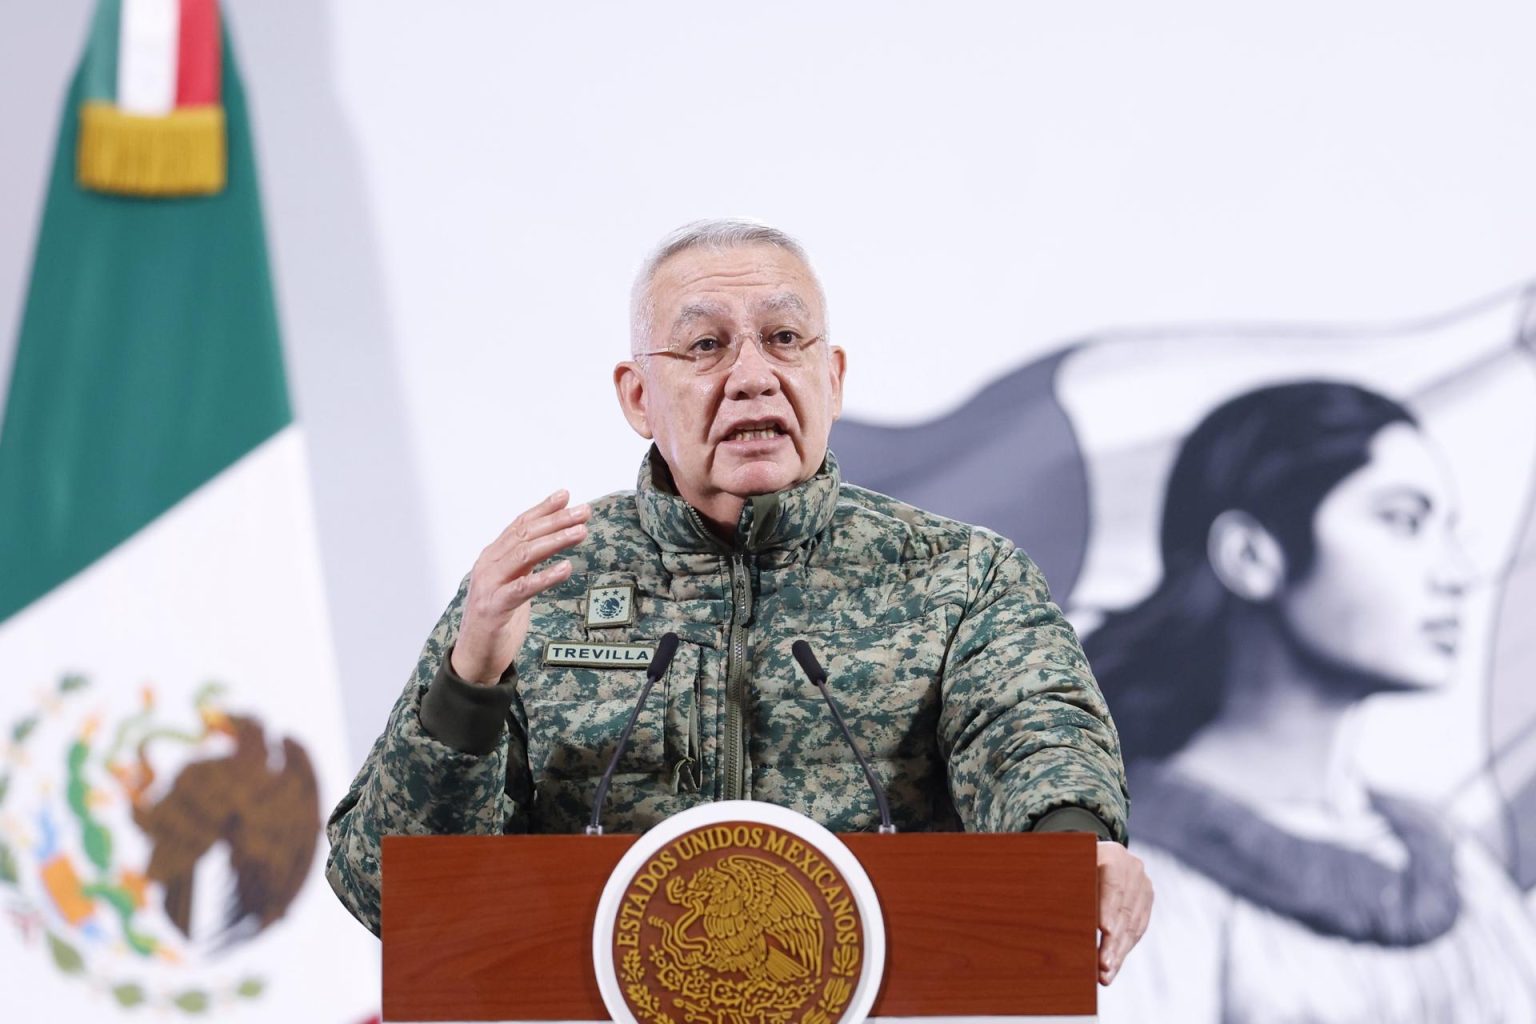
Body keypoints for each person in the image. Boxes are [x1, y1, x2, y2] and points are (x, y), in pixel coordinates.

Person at [325, 219, 1152, 983]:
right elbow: (388, 899)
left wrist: (1072, 851)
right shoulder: (543, 585)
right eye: (707, 345)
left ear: (830, 378)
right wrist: (470, 679)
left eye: (784, 339)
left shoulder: (960, 577)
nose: (753, 375)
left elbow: (1035, 737)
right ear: (638, 396)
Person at [1091, 381, 1536, 1022]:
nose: (1456, 573)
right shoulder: (1117, 876)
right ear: (1251, 555)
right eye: (1404, 521)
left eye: (1449, 530)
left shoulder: (1456, 867)